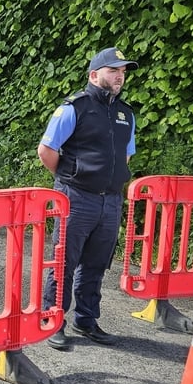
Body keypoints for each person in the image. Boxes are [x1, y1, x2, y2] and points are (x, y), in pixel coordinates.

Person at [38, 47, 138, 350]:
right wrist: (71, 178)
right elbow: (47, 151)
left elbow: (126, 155)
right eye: (113, 71)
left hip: (110, 201)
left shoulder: (126, 113)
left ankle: (86, 319)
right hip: (76, 198)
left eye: (122, 72)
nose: (119, 76)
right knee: (64, 262)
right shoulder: (74, 108)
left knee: (96, 263)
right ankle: (51, 320)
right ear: (94, 75)